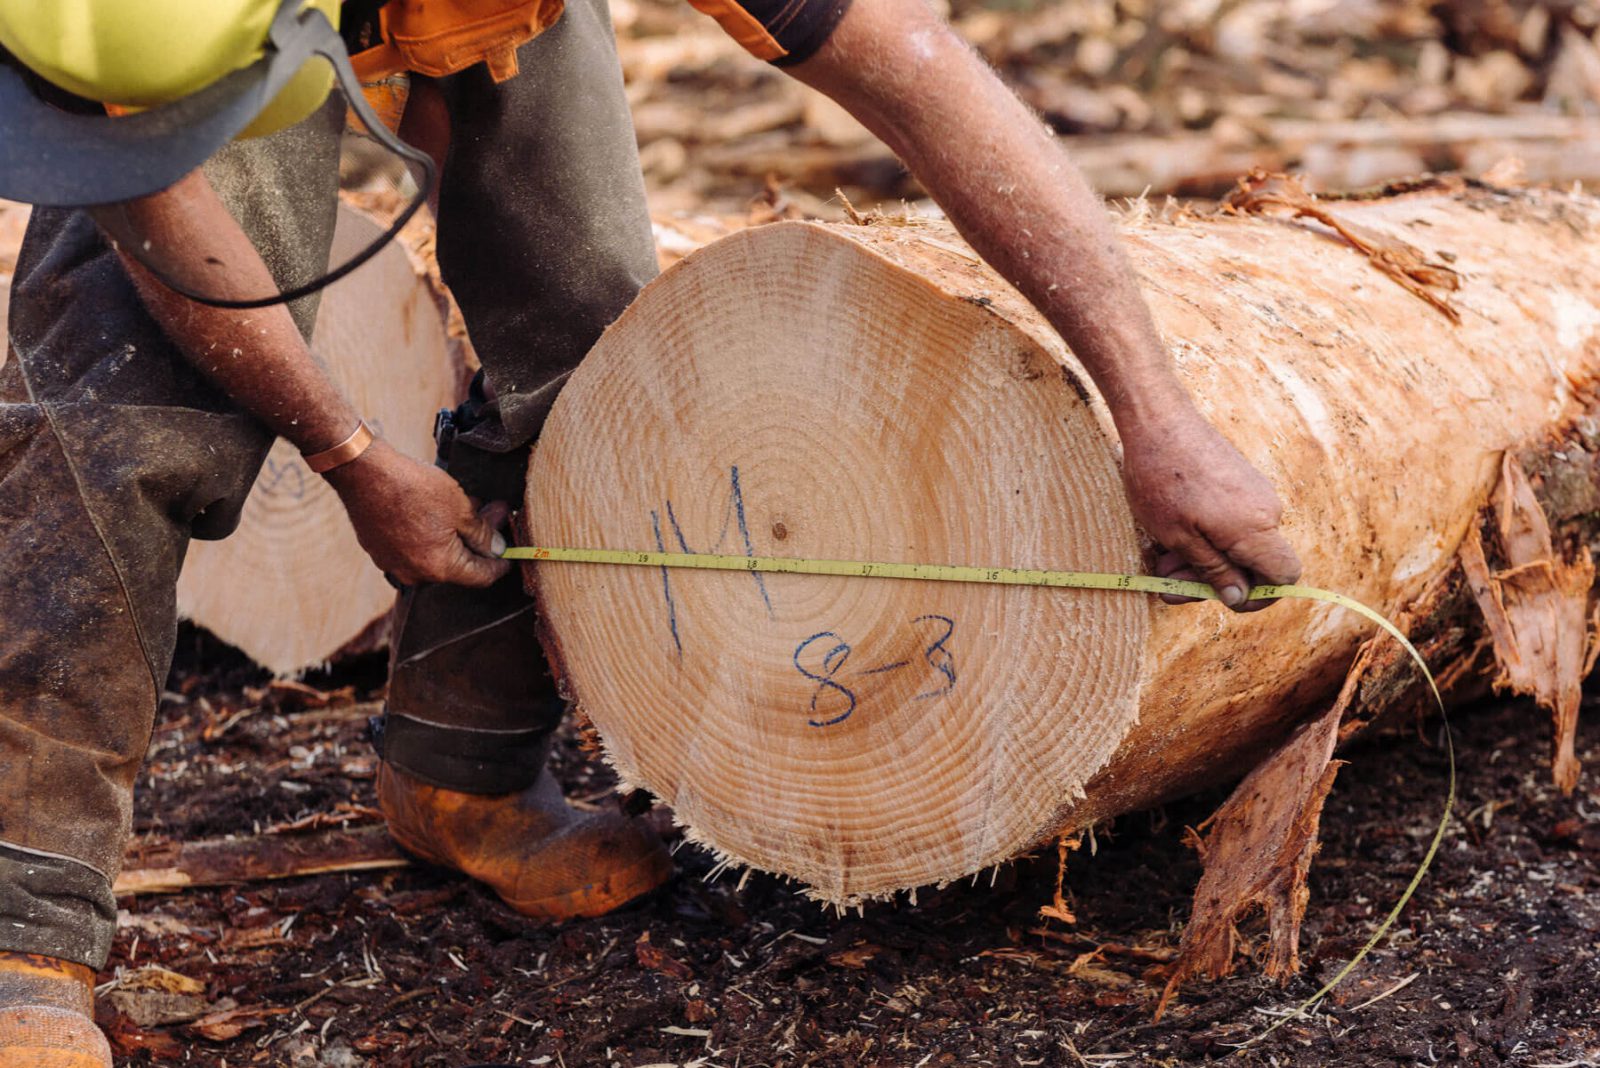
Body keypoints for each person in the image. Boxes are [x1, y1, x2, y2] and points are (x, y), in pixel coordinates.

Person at [0, 0, 1302, 1061]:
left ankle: (464, 773)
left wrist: (1156, 414)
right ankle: (25, 929)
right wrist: (350, 455)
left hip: (462, 11)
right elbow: (155, 202)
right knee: (111, 408)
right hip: (186, 53)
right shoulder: (111, 27)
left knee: (589, 337)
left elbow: (908, 59)